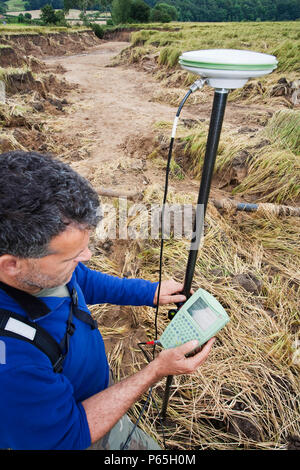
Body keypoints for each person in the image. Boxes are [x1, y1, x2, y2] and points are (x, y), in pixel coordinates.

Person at [0, 151, 215, 450]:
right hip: (81, 428)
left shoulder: (41, 271)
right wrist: (155, 371)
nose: (86, 258)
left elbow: (81, 280)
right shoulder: (10, 368)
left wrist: (148, 293)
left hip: (86, 395)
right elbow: (69, 437)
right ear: (11, 265)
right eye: (74, 256)